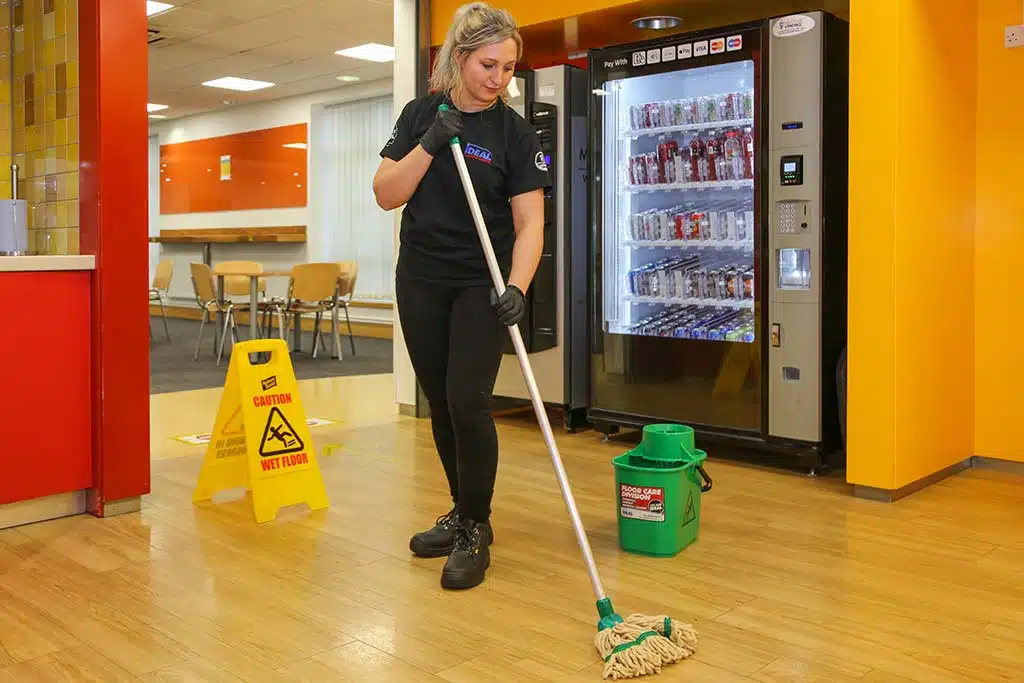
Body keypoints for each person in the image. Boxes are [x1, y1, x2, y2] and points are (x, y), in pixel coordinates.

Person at [372, 1, 549, 590]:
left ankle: (477, 525)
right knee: (439, 403)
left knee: (467, 400)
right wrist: (428, 142)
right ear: (460, 57)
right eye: (488, 64)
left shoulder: (516, 134)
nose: (499, 79)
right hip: (421, 278)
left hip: (483, 283)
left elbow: (530, 224)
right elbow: (386, 194)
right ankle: (459, 509)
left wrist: (518, 287)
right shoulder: (422, 112)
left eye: (508, 68)